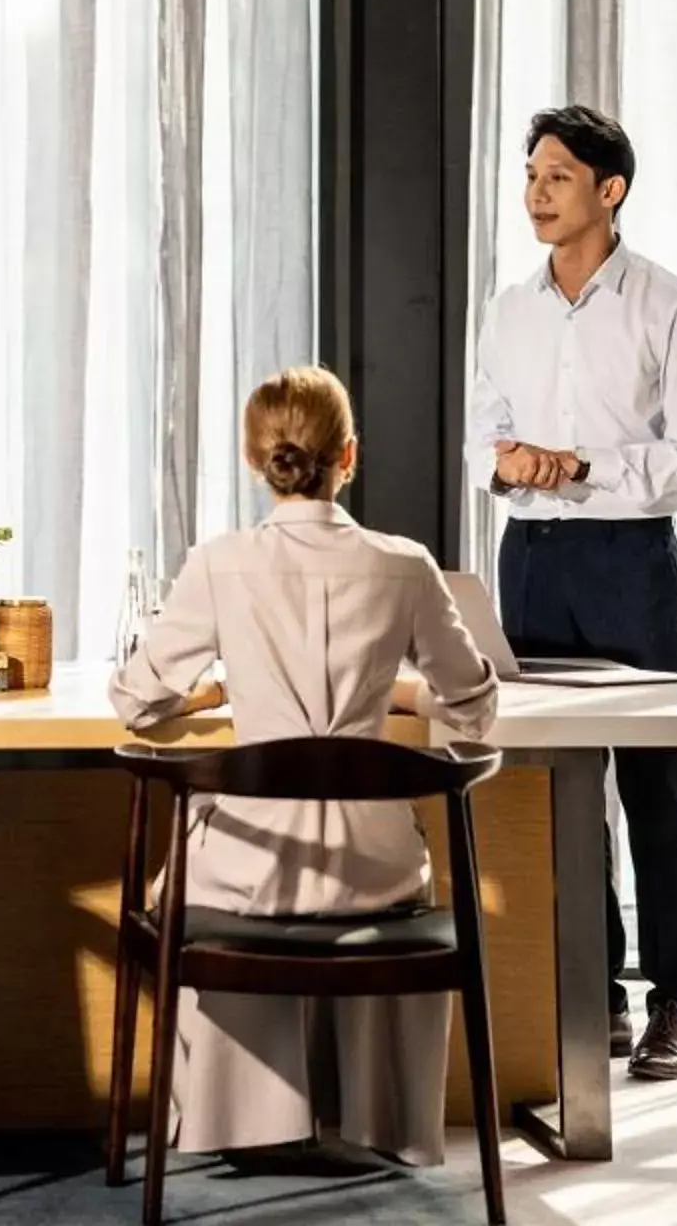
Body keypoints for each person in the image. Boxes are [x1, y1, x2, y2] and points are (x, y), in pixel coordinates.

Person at [108, 366, 501, 1168]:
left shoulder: (220, 564)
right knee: (399, 868)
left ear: (259, 461)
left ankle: (245, 1118)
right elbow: (474, 703)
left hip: (250, 871)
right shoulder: (407, 565)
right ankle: (387, 1122)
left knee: (186, 882)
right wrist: (392, 694)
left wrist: (222, 689)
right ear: (348, 456)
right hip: (376, 872)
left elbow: (135, 702)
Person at [466, 104, 677, 1081]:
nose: (536, 192)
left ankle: (676, 1002)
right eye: (531, 174)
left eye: (558, 175)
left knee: (652, 781)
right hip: (530, 555)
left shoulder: (671, 305)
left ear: (609, 191)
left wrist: (575, 464)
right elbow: (477, 437)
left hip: (629, 560)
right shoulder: (508, 307)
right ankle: (594, 993)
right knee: (554, 785)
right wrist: (513, 466)